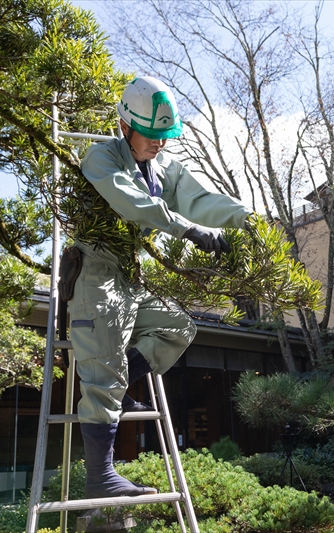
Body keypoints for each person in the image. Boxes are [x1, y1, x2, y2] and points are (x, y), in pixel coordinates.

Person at [66, 76, 252, 498]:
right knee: (101, 375)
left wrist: (246, 218)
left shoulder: (164, 167)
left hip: (132, 276)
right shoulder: (101, 157)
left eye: (165, 136)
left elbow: (200, 198)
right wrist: (189, 231)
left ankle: (121, 382)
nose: (159, 144)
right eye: (151, 135)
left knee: (178, 327)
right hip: (96, 276)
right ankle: (100, 477)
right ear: (125, 125)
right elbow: (133, 201)